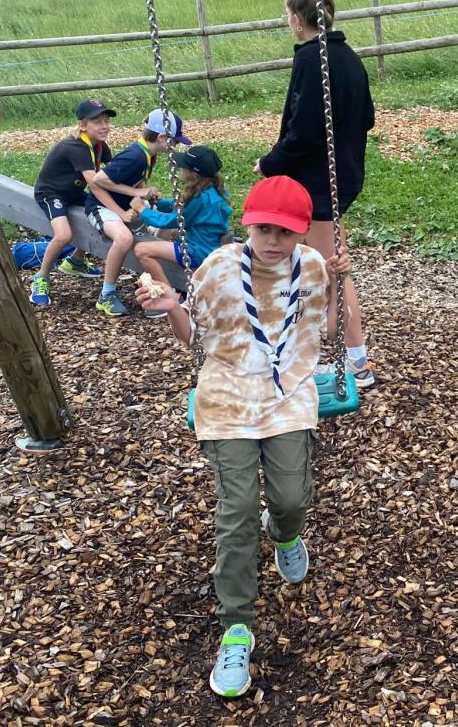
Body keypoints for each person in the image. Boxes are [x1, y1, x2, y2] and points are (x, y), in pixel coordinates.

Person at [135, 175, 350, 699]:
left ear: (302, 232)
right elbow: (195, 340)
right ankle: (237, 627)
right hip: (228, 397)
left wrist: (340, 285)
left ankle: (285, 534)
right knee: (237, 512)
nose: (273, 241)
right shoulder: (218, 269)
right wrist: (172, 309)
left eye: (286, 232)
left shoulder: (313, 267)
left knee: (291, 499)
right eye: (263, 230)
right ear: (248, 226)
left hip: (288, 396)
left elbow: (327, 333)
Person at [256, 0, 376, 387]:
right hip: (341, 176)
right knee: (310, 266)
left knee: (333, 270)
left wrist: (270, 164)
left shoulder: (312, 59)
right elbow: (367, 117)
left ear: (296, 18)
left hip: (318, 186)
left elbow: (304, 130)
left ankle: (357, 362)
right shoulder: (349, 57)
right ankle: (297, 348)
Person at [85, 108, 190, 316]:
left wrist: (145, 193)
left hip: (125, 205)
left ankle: (153, 279)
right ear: (161, 138)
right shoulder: (135, 156)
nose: (175, 146)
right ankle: (106, 294)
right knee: (124, 238)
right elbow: (98, 180)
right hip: (100, 206)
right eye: (174, 141)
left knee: (165, 223)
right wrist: (134, 195)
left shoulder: (148, 155)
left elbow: (133, 180)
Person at [29, 99, 122, 306]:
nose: (104, 126)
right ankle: (41, 278)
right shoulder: (76, 147)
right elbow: (95, 183)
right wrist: (122, 202)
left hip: (73, 192)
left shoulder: (99, 146)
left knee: (97, 214)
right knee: (64, 235)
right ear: (82, 125)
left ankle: (76, 261)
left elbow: (116, 171)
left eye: (106, 121)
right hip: (51, 193)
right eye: (97, 122)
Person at [132, 144, 232, 317]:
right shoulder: (212, 191)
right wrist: (160, 203)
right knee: (160, 241)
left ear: (194, 174)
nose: (180, 169)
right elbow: (181, 206)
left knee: (142, 250)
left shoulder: (200, 198)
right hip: (208, 246)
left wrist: (142, 210)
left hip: (198, 251)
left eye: (184, 167)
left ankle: (168, 296)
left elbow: (171, 221)